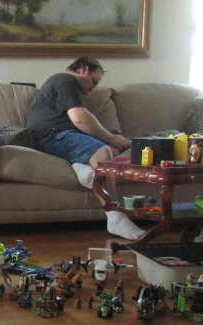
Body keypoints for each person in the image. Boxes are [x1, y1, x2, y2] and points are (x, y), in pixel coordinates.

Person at [27, 56, 145, 241]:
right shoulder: (66, 80)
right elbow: (80, 118)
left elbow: (81, 125)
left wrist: (112, 138)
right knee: (104, 152)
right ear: (83, 69)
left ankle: (81, 166)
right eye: (94, 81)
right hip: (50, 135)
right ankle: (115, 216)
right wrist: (110, 138)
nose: (92, 88)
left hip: (60, 134)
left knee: (115, 149)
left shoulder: (67, 87)